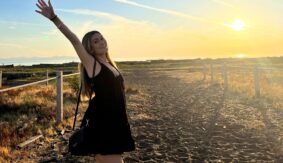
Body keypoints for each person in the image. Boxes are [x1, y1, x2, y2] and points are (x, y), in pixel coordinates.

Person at [35, 0, 136, 162]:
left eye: (102, 38)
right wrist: (54, 18)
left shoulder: (110, 64)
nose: (101, 42)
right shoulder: (92, 64)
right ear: (90, 48)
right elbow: (74, 40)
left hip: (116, 121)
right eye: (96, 41)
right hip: (104, 123)